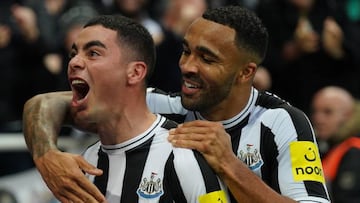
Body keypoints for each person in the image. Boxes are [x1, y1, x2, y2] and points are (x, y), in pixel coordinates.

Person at [23, 6, 330, 203]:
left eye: (207, 58)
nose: (188, 66)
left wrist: (229, 165)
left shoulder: (282, 121)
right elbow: (45, 104)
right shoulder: (158, 105)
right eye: (186, 51)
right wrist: (45, 154)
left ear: (245, 72)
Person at [25, 14, 231, 203]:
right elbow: (41, 103)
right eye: (74, 53)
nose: (75, 62)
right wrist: (46, 153)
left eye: (93, 53)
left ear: (135, 72)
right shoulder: (86, 162)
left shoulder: (184, 159)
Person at [311, 86, 360, 202]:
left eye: (328, 112)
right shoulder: (327, 146)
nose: (318, 119)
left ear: (347, 115)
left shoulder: (354, 151)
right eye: (315, 111)